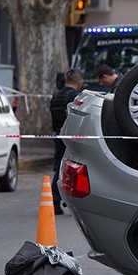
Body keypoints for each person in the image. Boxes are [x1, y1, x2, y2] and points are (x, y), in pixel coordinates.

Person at [49, 68, 84, 215]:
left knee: (59, 168)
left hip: (58, 135)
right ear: (79, 81)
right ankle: (65, 199)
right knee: (73, 169)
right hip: (71, 138)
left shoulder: (56, 95)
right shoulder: (75, 96)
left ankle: (56, 200)